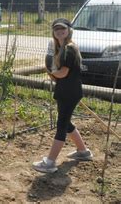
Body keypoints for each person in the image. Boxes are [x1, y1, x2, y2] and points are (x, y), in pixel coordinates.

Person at [32, 18, 93, 173]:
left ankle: (50, 163)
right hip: (68, 91)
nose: (59, 31)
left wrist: (51, 72)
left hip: (69, 93)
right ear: (53, 32)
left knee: (61, 125)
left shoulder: (68, 49)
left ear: (68, 30)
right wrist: (53, 73)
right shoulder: (63, 48)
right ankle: (83, 152)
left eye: (62, 29)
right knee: (66, 123)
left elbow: (63, 72)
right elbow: (62, 73)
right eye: (56, 29)